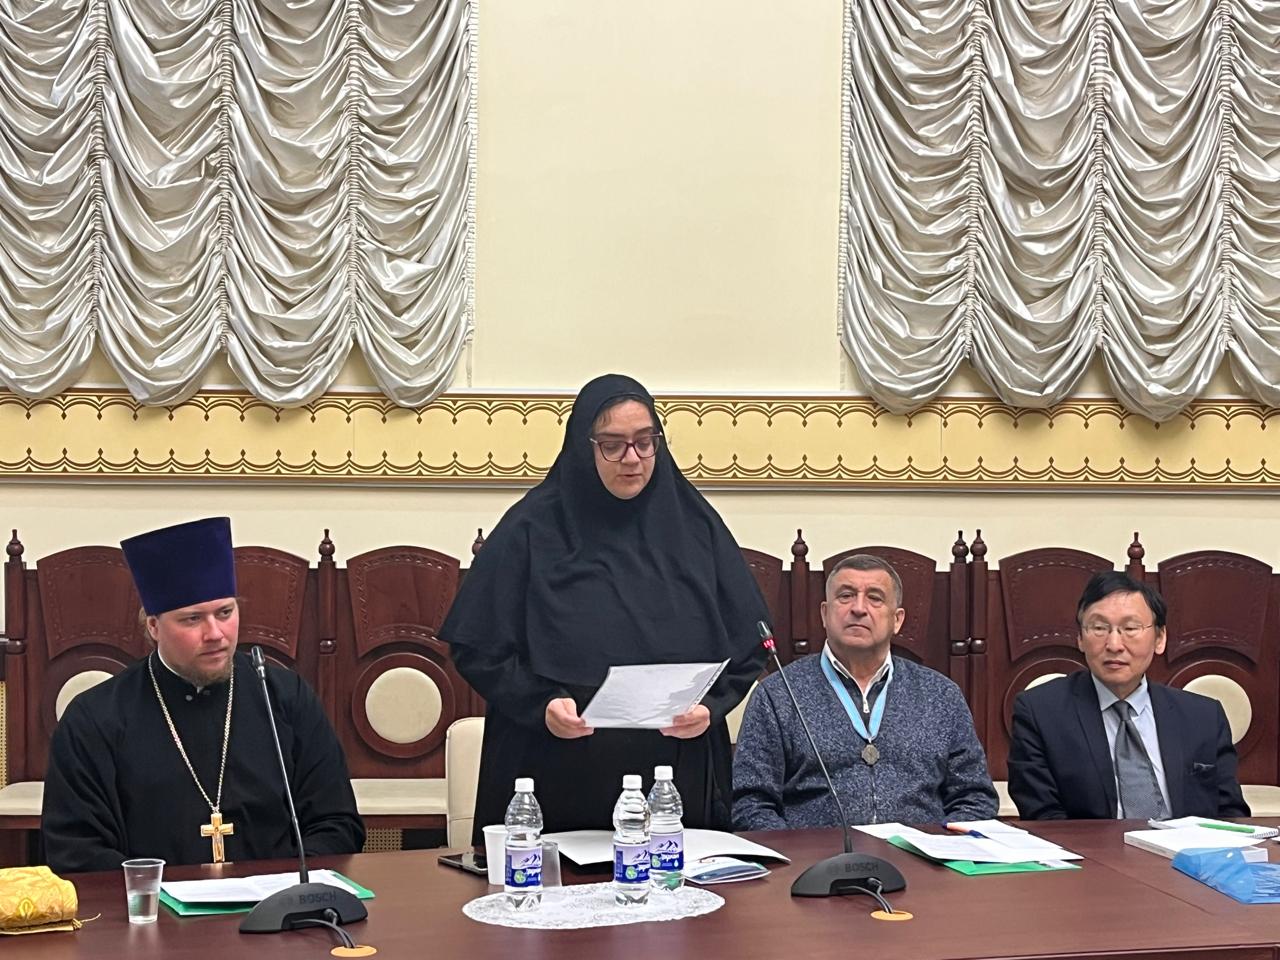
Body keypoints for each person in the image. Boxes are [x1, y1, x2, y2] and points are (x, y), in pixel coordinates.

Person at [440, 374, 769, 839]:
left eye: (644, 442)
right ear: (584, 446)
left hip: (672, 778)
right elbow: (477, 647)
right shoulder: (532, 527)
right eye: (613, 445)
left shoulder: (694, 526)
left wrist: (712, 708)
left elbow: (751, 643)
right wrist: (539, 704)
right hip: (554, 770)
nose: (632, 458)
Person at [41, 517, 365, 872]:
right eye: (192, 619)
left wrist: (286, 889)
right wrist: (157, 895)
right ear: (153, 626)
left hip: (277, 903)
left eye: (225, 612)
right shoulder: (95, 718)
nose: (215, 634)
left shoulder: (285, 697)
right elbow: (76, 850)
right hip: (151, 907)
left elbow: (337, 824)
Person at [732, 554, 996, 829]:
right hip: (817, 855)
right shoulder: (777, 695)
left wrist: (941, 847)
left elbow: (975, 798)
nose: (858, 608)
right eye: (845, 596)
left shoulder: (940, 695)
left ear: (897, 620)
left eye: (875, 598)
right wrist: (796, 851)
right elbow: (751, 804)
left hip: (921, 854)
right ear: (824, 614)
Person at [1008, 571, 1249, 820]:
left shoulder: (1203, 716)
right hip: (1089, 846)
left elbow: (1230, 816)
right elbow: (1044, 820)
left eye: (1130, 628)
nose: (1114, 645)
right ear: (1080, 638)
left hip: (1185, 845)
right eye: (1099, 628)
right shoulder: (1040, 713)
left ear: (1160, 638)